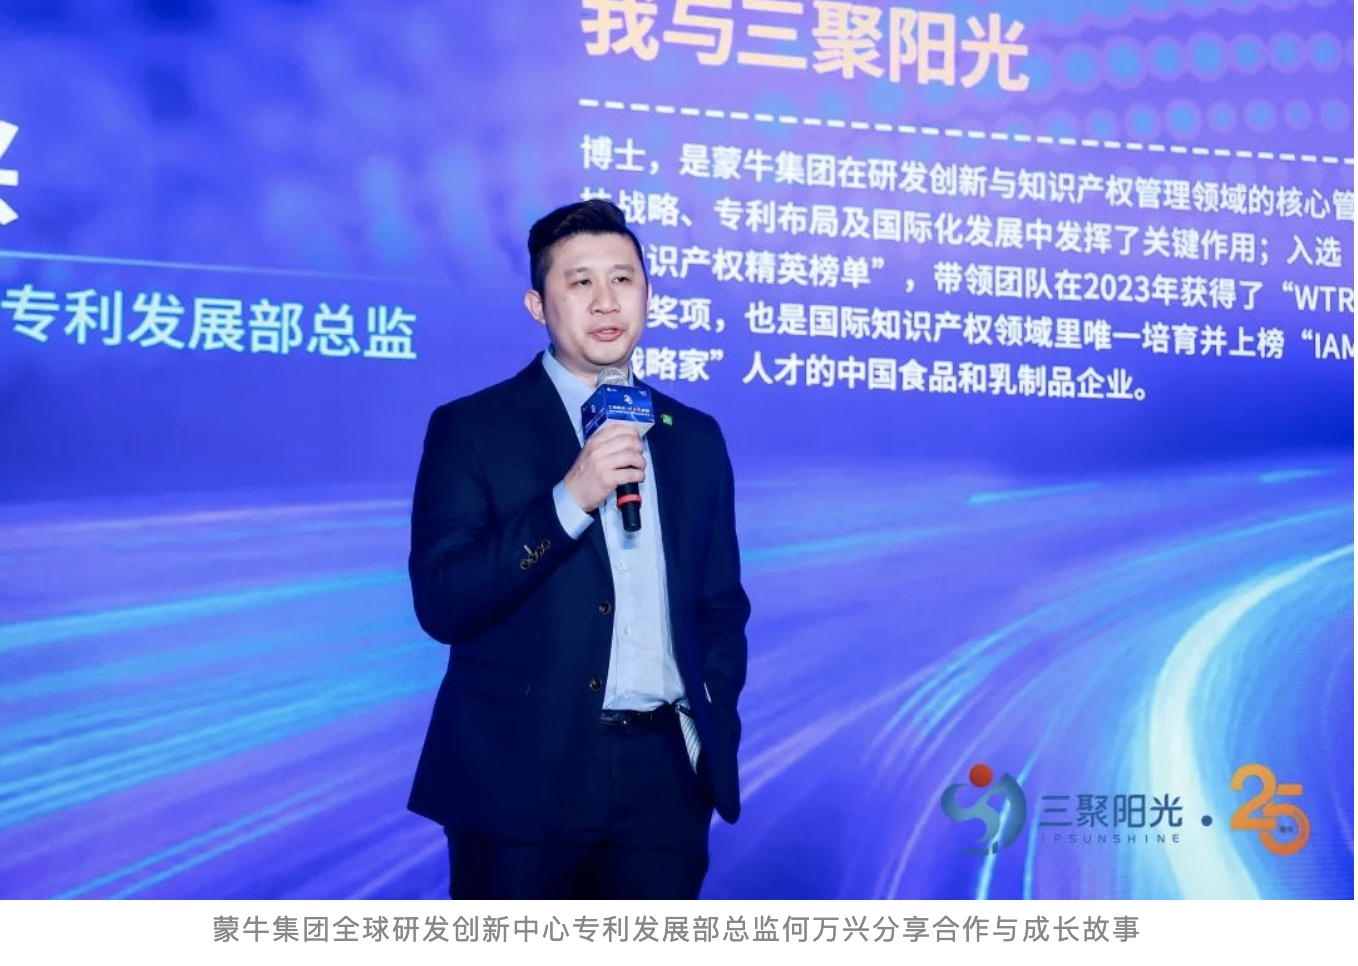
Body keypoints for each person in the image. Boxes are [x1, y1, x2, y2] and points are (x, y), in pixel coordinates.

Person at [406, 199, 750, 899]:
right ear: (538, 305)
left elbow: (720, 606)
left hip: (664, 780)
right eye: (580, 281)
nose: (605, 302)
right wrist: (570, 500)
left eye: (623, 280)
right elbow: (444, 602)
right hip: (518, 778)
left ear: (648, 294)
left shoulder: (693, 435)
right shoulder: (473, 427)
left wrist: (709, 720)